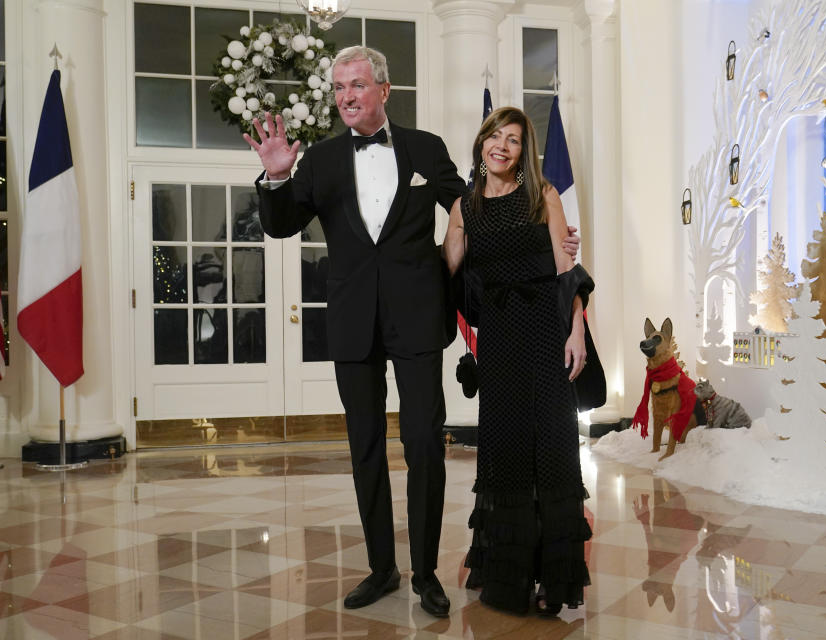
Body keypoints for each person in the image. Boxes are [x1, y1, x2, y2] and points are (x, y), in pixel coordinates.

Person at [245, 46, 580, 618]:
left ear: (383, 89)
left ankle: (425, 572)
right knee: (366, 447)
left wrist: (544, 235)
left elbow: (476, 207)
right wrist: (276, 177)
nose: (346, 96)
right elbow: (280, 228)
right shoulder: (321, 160)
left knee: (425, 444)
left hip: (420, 318)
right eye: (339, 87)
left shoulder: (426, 149)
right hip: (352, 323)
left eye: (356, 85)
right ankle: (381, 569)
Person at [442, 106, 593, 616]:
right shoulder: (464, 208)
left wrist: (578, 330)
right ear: (482, 143)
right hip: (502, 340)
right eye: (494, 136)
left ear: (523, 151)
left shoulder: (542, 196)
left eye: (513, 140)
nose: (502, 146)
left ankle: (554, 578)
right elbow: (447, 271)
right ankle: (505, 577)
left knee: (551, 448)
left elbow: (566, 269)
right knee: (506, 451)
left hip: (548, 333)